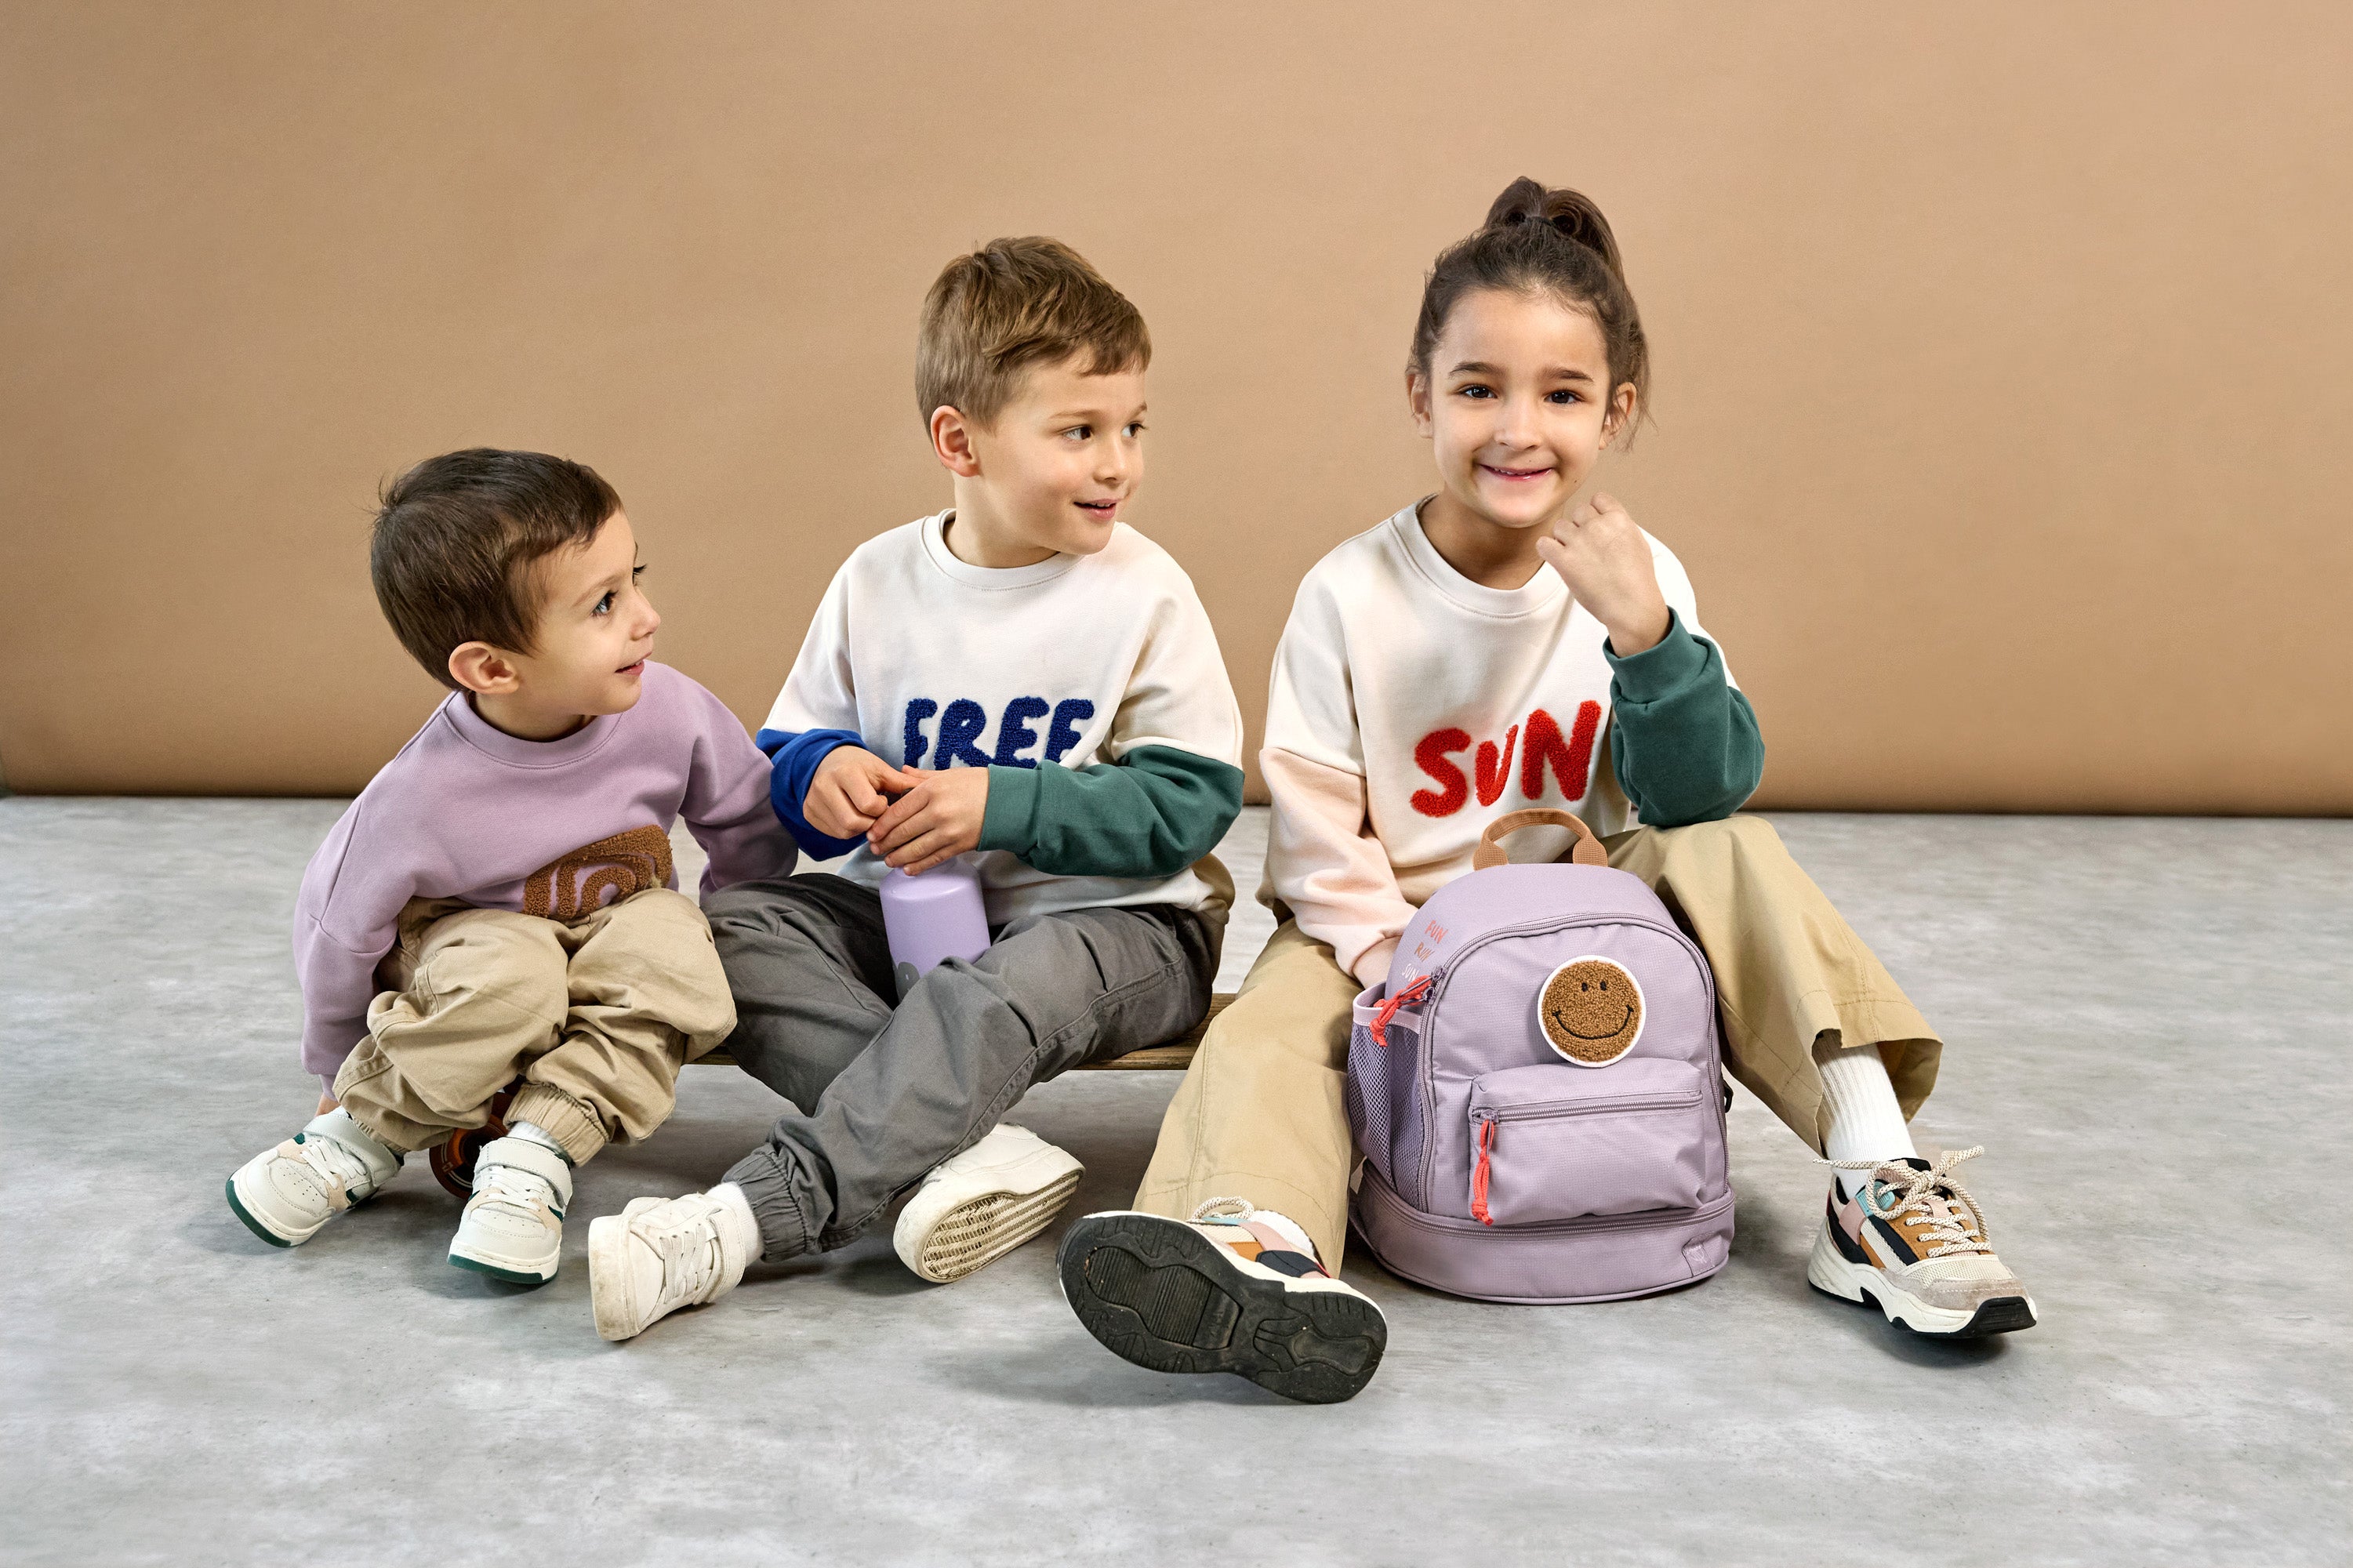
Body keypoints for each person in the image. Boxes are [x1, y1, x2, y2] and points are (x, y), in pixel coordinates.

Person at [1057, 178, 2037, 1403]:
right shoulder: (1349, 592)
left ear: (1615, 411)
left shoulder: (1640, 571)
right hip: (1394, 936)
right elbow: (1314, 840)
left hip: (1596, 917)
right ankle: (1255, 1246)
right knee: (1269, 1023)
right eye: (1478, 390)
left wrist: (1647, 635)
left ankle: (1876, 1178)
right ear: (1420, 395)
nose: (1517, 430)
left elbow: (1699, 799)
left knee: (1734, 854)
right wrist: (1391, 969)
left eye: (1561, 396)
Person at [589, 237, 1245, 1342]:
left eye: (1131, 428)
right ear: (961, 440)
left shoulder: (1144, 590)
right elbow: (784, 757)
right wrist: (823, 774)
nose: (1116, 463)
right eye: (1077, 431)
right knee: (728, 930)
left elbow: (1191, 804)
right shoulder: (877, 580)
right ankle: (975, 1152)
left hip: (1116, 927)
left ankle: (741, 1220)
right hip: (908, 915)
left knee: (985, 998)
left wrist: (1002, 805)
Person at [225, 449, 797, 1285]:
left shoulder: (671, 708)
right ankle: (361, 1132)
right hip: (468, 944)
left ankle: (535, 1154)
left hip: (610, 925)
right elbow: (338, 929)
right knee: (517, 970)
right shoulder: (421, 794)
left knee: (673, 945)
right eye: (605, 603)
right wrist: (338, 1068)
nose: (646, 617)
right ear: (493, 667)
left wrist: (739, 914)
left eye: (633, 578)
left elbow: (745, 813)